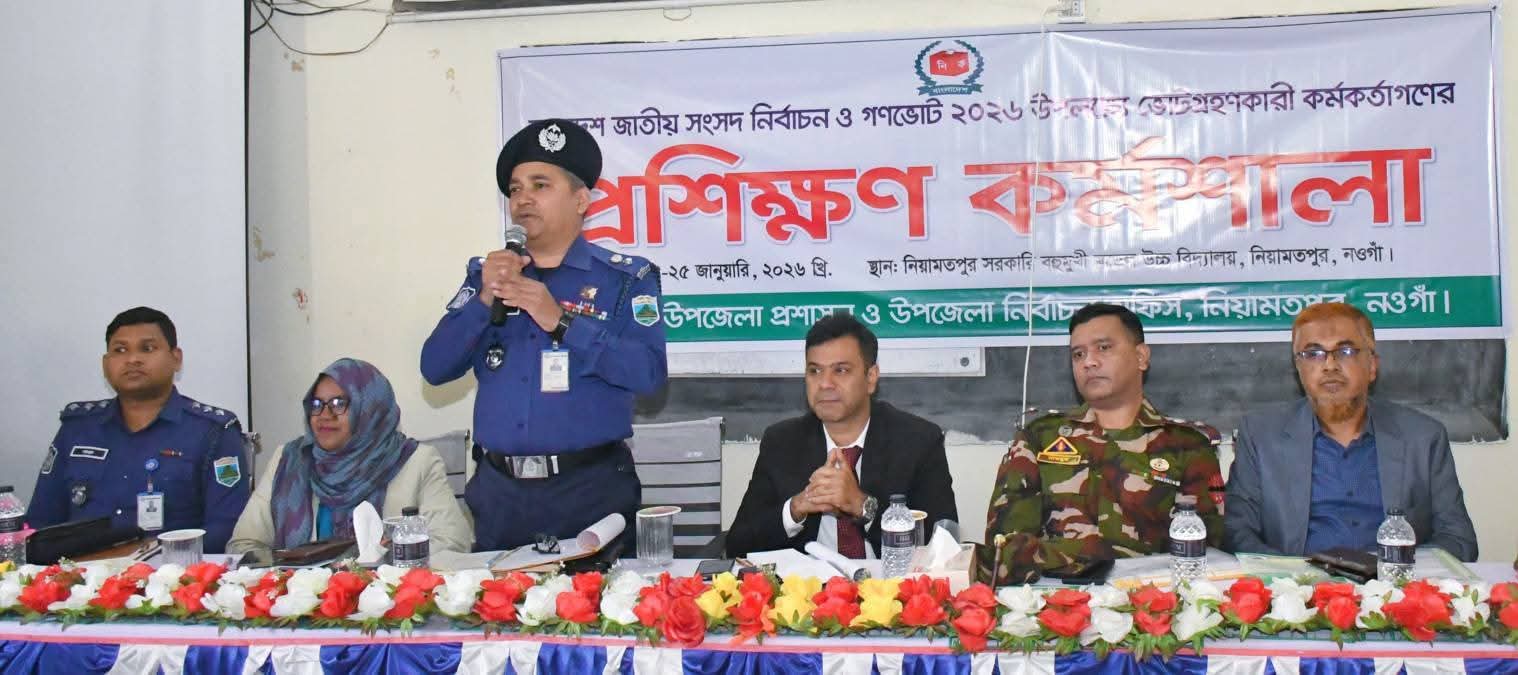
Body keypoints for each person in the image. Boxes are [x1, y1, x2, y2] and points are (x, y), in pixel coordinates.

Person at [421, 119, 666, 551]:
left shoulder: (626, 279)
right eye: (515, 189)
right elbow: (434, 368)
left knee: (599, 598)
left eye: (540, 185)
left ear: (581, 200)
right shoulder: (486, 277)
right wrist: (484, 299)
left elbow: (648, 375)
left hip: (590, 494)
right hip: (500, 498)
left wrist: (562, 322)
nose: (523, 199)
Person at [980, 303, 1225, 584]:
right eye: (1078, 354)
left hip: (1153, 602)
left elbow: (1207, 553)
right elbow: (1004, 550)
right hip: (1054, 602)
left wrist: (1067, 555)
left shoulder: (1187, 445)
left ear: (1141, 357)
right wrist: (1095, 560)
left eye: (1104, 348)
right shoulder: (1039, 438)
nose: (1089, 362)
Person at [1225, 302, 1478, 560]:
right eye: (1313, 353)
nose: (1330, 365)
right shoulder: (1261, 436)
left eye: (1345, 351)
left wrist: (1394, 569)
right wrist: (1296, 576)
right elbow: (1237, 533)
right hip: (1299, 581)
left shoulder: (1422, 437)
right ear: (1298, 368)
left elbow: (1458, 540)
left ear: (1372, 366)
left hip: (1392, 581)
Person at [727, 312, 957, 559]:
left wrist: (862, 506)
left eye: (841, 370)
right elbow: (737, 545)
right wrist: (794, 510)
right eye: (815, 371)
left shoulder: (918, 441)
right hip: (807, 582)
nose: (825, 383)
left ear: (871, 378)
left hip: (888, 581)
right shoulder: (782, 443)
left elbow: (943, 548)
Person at [28, 307, 249, 553]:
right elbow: (40, 522)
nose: (132, 359)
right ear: (106, 364)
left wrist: (142, 555)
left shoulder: (212, 432)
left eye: (147, 348)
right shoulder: (77, 429)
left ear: (176, 358)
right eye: (120, 350)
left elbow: (227, 529)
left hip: (170, 572)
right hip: (81, 572)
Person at [228, 359, 472, 561]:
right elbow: (243, 545)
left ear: (369, 409)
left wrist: (382, 559)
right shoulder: (289, 460)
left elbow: (453, 544)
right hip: (297, 598)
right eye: (316, 404)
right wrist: (293, 572)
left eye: (338, 404)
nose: (324, 415)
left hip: (385, 598)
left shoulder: (416, 462)